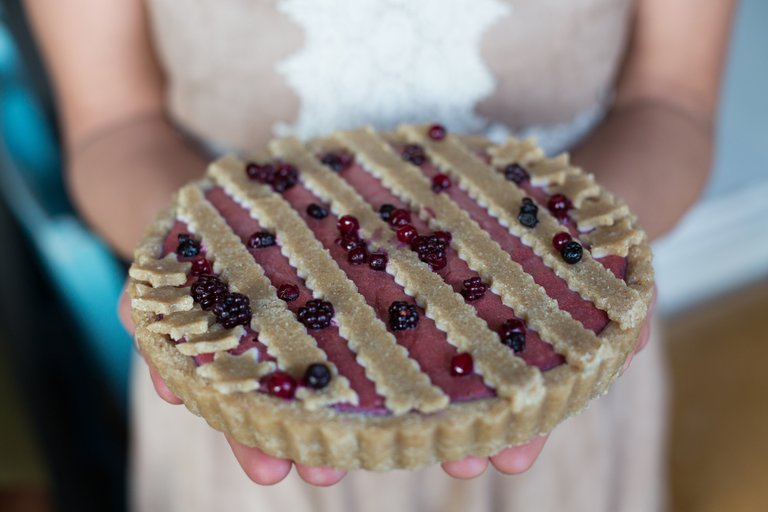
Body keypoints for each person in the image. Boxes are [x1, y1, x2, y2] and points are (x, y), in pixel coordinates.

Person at [24, 0, 734, 510]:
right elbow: (114, 126)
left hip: (554, 360)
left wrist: (588, 268)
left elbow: (670, 100)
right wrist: (181, 250)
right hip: (249, 371)